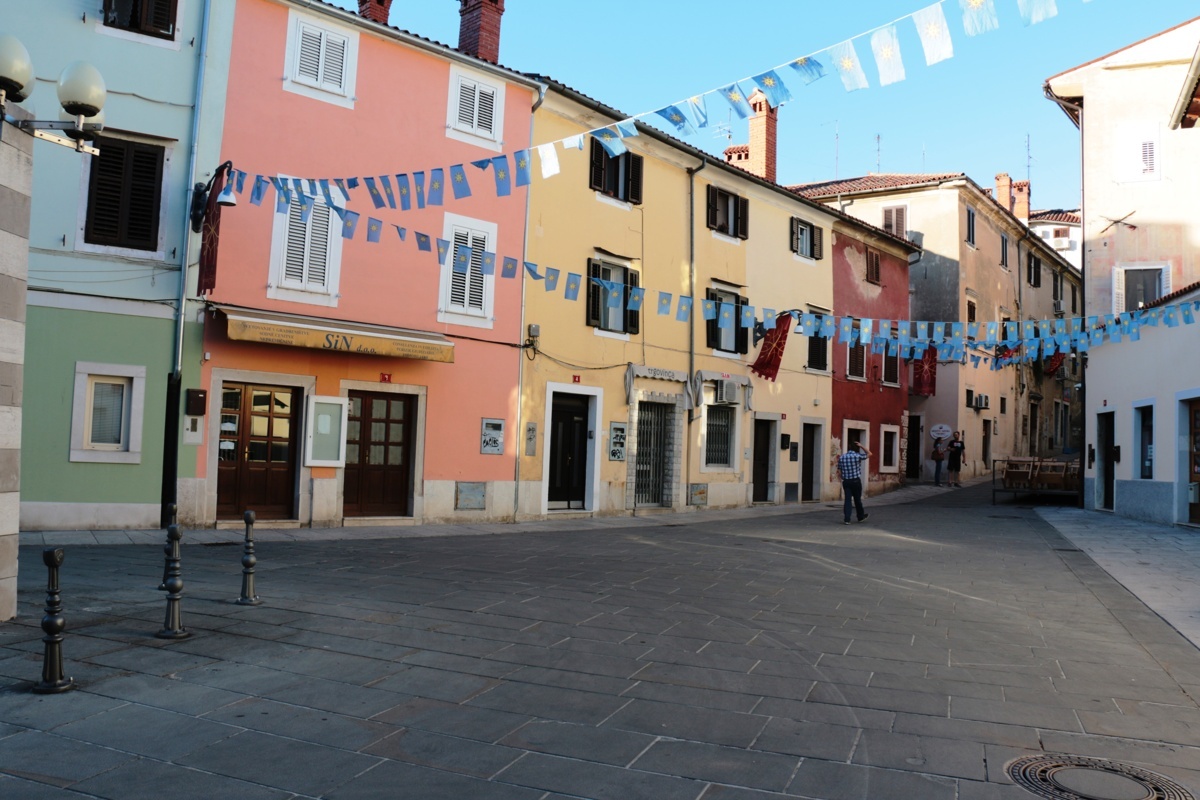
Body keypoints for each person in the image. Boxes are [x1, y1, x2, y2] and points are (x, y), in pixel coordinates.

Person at [836, 441, 872, 525]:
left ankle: (847, 519)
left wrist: (843, 477)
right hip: (855, 481)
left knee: (847, 500)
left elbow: (839, 470)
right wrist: (862, 446)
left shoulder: (842, 457)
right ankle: (860, 516)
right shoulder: (857, 456)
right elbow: (870, 453)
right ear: (856, 449)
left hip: (846, 481)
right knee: (857, 500)